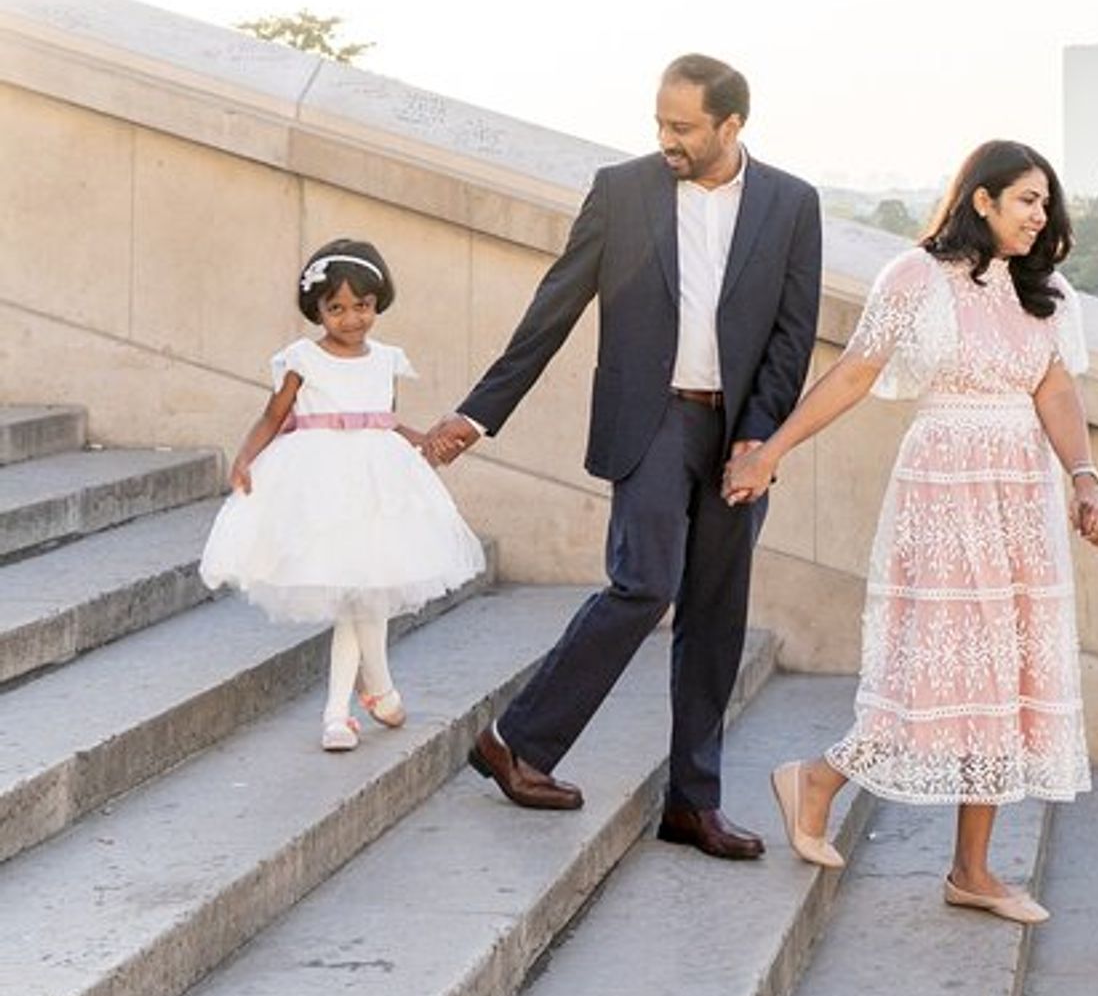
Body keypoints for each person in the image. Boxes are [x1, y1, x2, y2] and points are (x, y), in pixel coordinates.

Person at [419, 55, 821, 861]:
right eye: (660, 124)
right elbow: (552, 310)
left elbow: (792, 332)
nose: (666, 139)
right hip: (653, 422)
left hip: (737, 433)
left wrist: (761, 436)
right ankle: (517, 741)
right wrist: (477, 415)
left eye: (684, 128)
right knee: (644, 584)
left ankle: (692, 803)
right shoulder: (623, 190)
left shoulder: (791, 204)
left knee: (716, 614)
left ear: (730, 126)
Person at [722, 140, 1098, 924]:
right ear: (981, 199)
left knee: (1005, 679)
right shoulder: (913, 279)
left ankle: (971, 869)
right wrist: (771, 451)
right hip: (944, 490)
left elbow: (1056, 389)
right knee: (932, 670)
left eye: (1047, 204)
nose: (1041, 217)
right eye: (1026, 201)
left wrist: (1085, 477)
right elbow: (855, 374)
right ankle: (820, 779)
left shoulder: (1048, 293)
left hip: (1020, 497)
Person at [200, 239, 487, 752]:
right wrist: (245, 457)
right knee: (356, 596)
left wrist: (420, 440)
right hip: (322, 485)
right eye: (336, 308)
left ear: (378, 304)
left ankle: (363, 699)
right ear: (318, 309)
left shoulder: (386, 359)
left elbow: (383, 417)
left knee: (367, 591)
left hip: (376, 483)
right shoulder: (302, 359)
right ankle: (351, 706)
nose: (351, 318)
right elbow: (274, 415)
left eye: (362, 306)